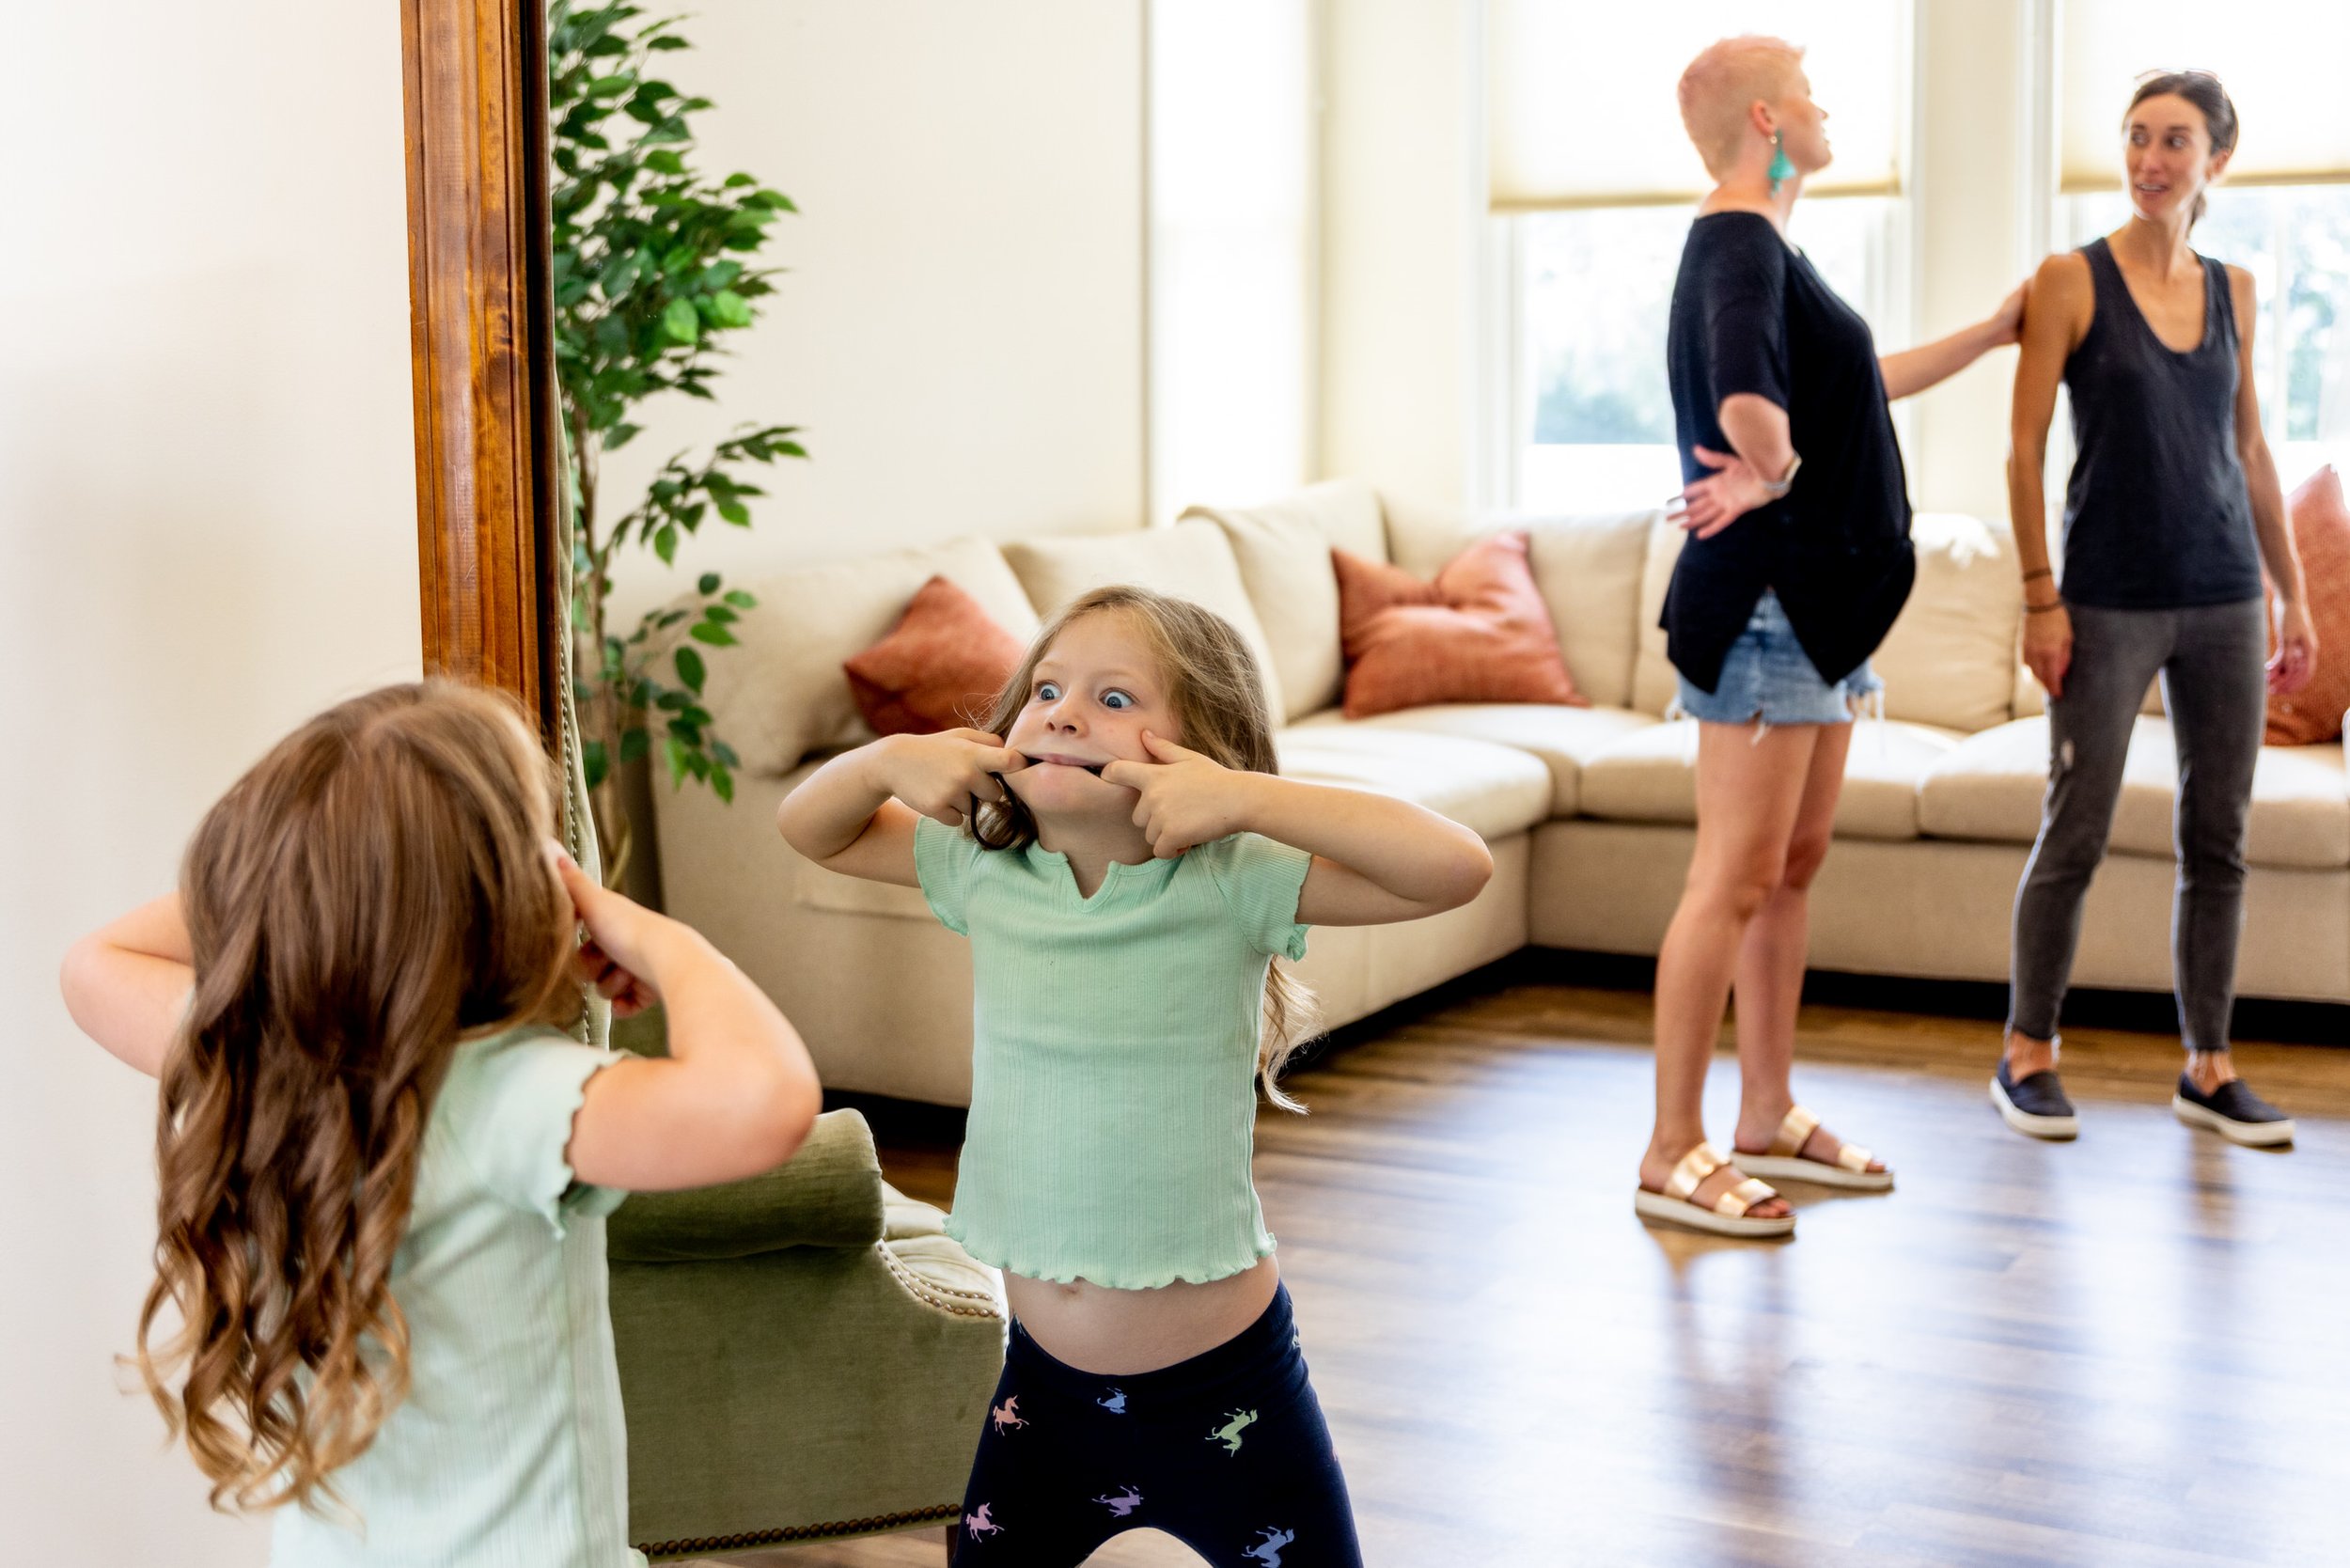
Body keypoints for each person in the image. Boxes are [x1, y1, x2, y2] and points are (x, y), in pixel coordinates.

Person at [776, 585, 1493, 1567]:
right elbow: (809, 828)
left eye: (1116, 699)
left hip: (1226, 1388)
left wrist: (1244, 799)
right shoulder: (983, 869)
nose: (1063, 712)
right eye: (1046, 689)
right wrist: (881, 760)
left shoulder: (1232, 874)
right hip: (1043, 1386)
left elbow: (1453, 867)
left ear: (1198, 753)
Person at [57, 681, 821, 1566]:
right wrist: (660, 937)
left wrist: (291, 875)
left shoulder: (259, 1062)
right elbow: (766, 1103)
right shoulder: (508, 1098)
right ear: (514, 891)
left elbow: (91, 965)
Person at [1638, 36, 2027, 1239]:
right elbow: (1753, 406)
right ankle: (1670, 1148)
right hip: (1767, 608)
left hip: (1812, 616)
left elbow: (1853, 383)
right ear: (1765, 117)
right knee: (1733, 878)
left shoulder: (1768, 247)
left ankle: (1765, 1112)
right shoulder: (1738, 241)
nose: (1822, 108)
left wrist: (1994, 332)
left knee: (1789, 870)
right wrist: (1777, 472)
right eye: (1806, 92)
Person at [1996, 71, 2315, 1148]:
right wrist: (2041, 599)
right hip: (2106, 599)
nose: (2148, 161)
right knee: (2074, 828)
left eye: (2173, 141)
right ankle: (2025, 1053)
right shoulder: (2068, 280)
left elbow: (2251, 447)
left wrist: (2293, 596)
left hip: (2223, 594)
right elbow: (2023, 446)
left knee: (2216, 837)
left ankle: (2207, 1067)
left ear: (2216, 158)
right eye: (2136, 139)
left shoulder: (2234, 289)